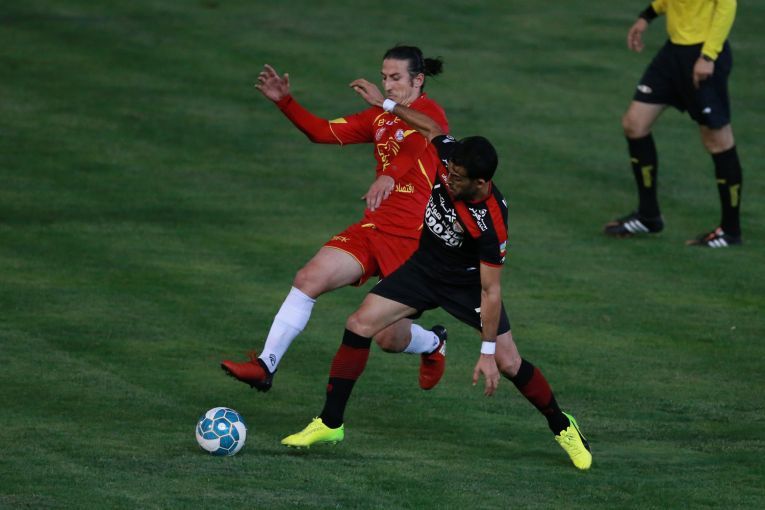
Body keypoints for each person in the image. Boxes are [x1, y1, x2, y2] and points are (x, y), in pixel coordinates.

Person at [279, 80, 593, 470]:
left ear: (481, 183)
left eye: (458, 178)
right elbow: (432, 128)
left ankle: (563, 426)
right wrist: (386, 103)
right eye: (450, 171)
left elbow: (491, 291)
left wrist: (487, 353)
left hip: (466, 285)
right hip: (423, 268)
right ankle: (330, 423)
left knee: (510, 363)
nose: (448, 178)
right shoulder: (451, 161)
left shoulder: (489, 223)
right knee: (359, 324)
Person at [221, 46, 450, 392]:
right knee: (308, 278)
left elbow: (416, 146)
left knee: (388, 338)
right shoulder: (378, 118)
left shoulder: (431, 115)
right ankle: (265, 365)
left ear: (418, 80)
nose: (388, 85)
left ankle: (433, 343)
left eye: (396, 78)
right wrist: (286, 102)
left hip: (413, 240)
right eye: (384, 78)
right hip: (374, 227)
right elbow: (322, 131)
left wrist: (390, 175)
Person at [604, 0, 743, 248]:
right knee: (634, 124)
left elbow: (727, 5)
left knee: (717, 141)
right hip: (674, 54)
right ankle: (648, 216)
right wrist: (647, 16)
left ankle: (730, 231)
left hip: (704, 54)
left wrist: (708, 55)